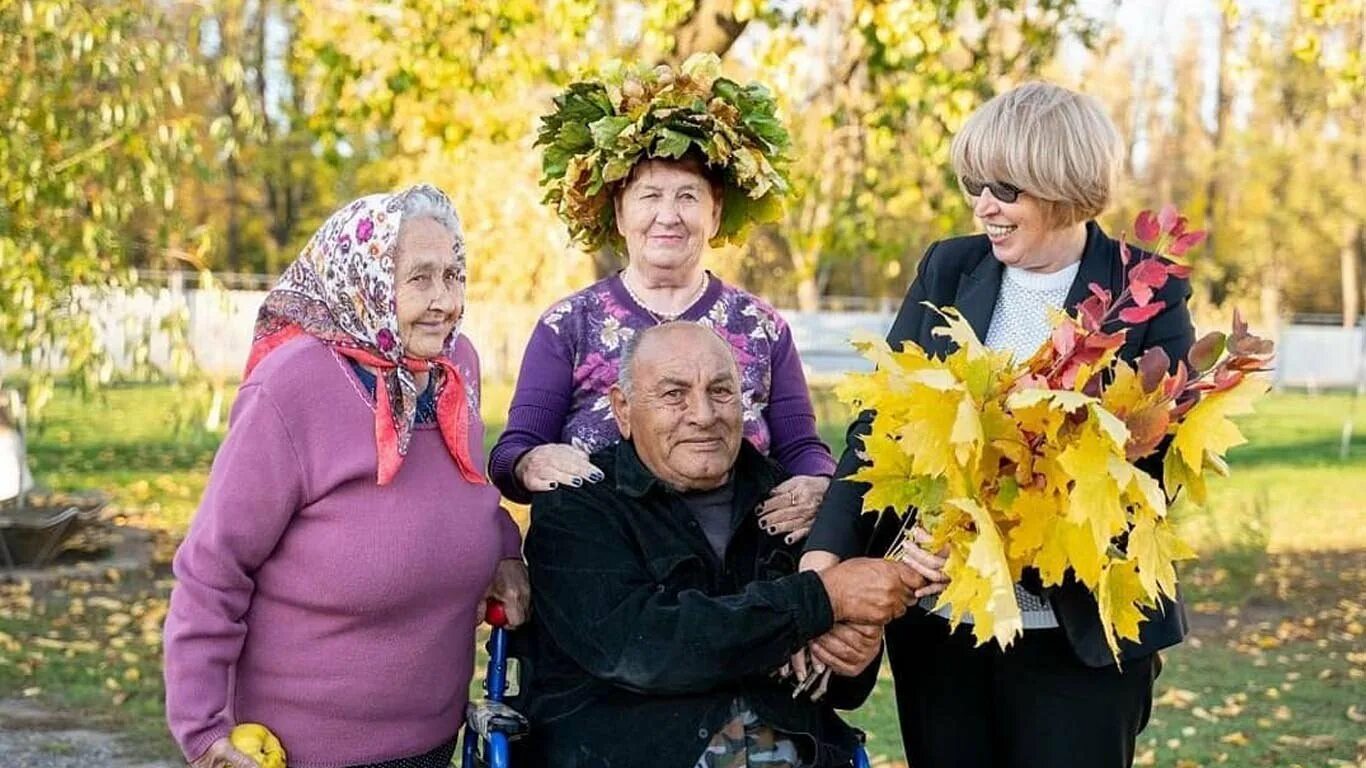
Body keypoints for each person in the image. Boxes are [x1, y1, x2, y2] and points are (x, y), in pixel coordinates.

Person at [804, 82, 1194, 768]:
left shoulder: (1146, 290)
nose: (984, 204)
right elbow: (878, 428)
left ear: (1062, 184)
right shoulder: (948, 267)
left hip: (1074, 636)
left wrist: (1004, 523)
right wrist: (821, 570)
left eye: (1005, 188)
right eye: (973, 183)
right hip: (942, 634)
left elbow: (1153, 466)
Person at [163, 185, 529, 768]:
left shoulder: (455, 368)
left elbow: (460, 491)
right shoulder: (293, 387)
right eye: (421, 278)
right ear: (365, 281)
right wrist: (205, 731)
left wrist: (502, 550)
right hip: (303, 752)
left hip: (436, 741)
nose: (445, 300)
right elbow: (213, 566)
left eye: (455, 275)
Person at [514, 322, 923, 767]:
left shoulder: (788, 501)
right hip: (626, 749)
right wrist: (819, 599)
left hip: (791, 749)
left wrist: (855, 652)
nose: (704, 414)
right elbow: (640, 647)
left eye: (722, 391)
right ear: (623, 409)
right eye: (675, 394)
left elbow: (843, 686)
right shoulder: (578, 508)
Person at [489, 54, 832, 545]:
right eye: (650, 196)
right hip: (603, 564)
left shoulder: (762, 327)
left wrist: (817, 483)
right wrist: (530, 462)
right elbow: (512, 453)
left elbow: (803, 447)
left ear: (715, 215)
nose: (668, 216)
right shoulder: (568, 325)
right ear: (619, 213)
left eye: (688, 197)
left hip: (739, 566)